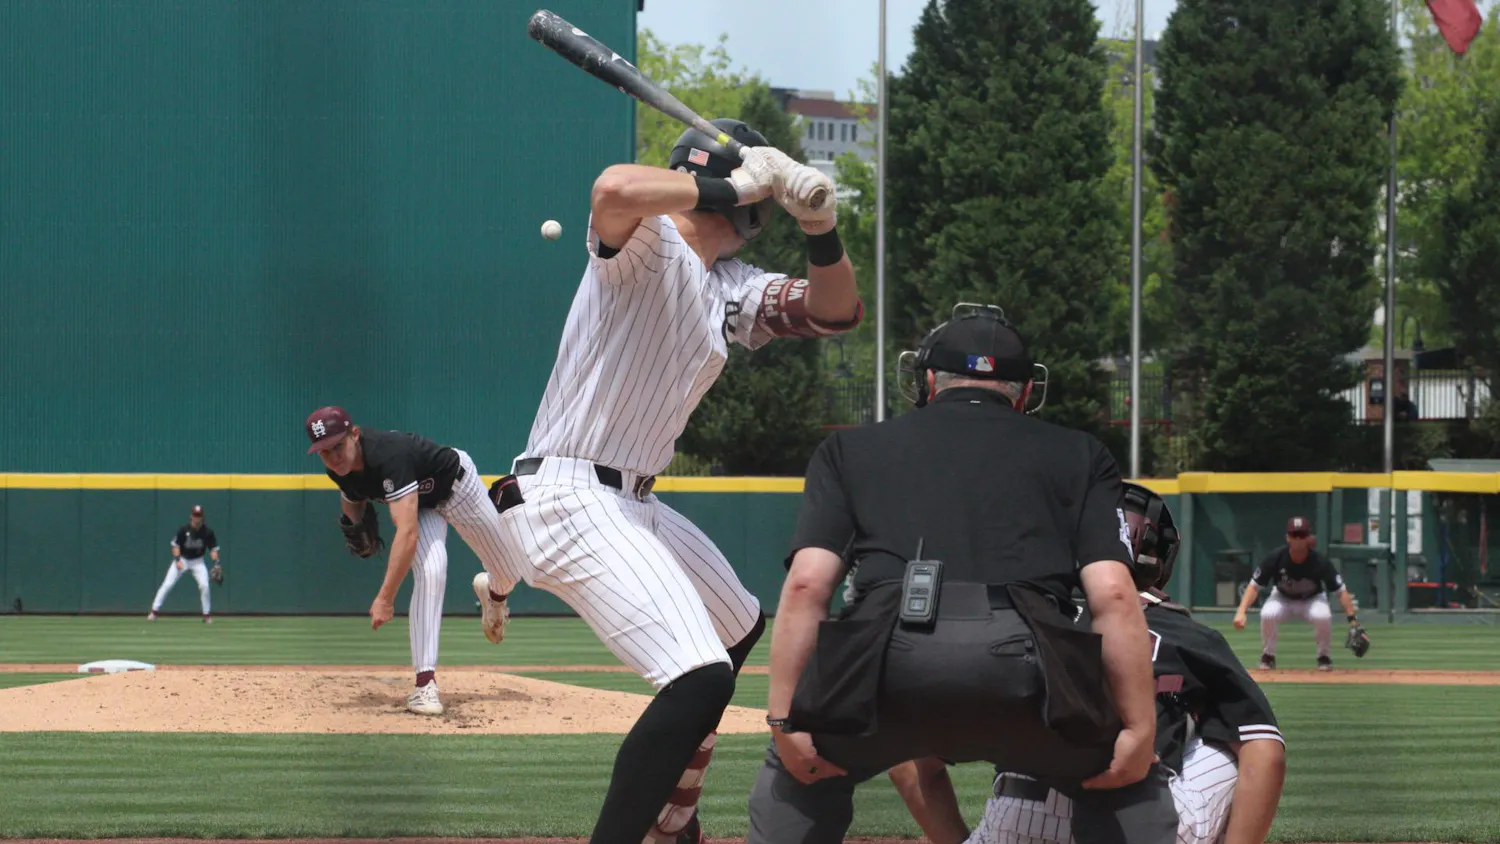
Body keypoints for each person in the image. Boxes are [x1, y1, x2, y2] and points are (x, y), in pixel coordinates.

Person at [485, 118, 857, 844]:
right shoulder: (649, 241)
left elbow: (835, 311)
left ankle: (673, 816)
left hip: (633, 502)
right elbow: (612, 188)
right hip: (568, 494)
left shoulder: (730, 287)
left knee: (741, 625)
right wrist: (743, 181)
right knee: (698, 675)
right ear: (747, 209)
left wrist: (821, 225)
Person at [746, 304, 1174, 844]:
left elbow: (807, 586)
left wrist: (786, 722)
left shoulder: (846, 450)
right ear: (1023, 391)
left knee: (799, 773)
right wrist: (1136, 728)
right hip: (1028, 672)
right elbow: (1114, 593)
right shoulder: (1082, 453)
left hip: (885, 670)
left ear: (927, 379)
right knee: (1127, 783)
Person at [890, 483, 1287, 844]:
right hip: (1138, 825)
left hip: (1017, 822)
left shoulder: (1009, 616)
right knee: (1239, 737)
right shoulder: (1186, 634)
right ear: (1158, 555)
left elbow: (904, 754)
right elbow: (1266, 754)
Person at [305, 405, 522, 715]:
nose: (334, 457)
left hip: (459, 488)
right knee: (432, 571)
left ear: (354, 434)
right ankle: (425, 685)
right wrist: (353, 523)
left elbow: (406, 535)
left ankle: (494, 593)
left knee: (509, 572)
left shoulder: (387, 454)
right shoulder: (338, 469)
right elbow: (352, 498)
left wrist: (385, 598)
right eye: (325, 452)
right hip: (421, 506)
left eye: (338, 446)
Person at [1232, 515, 1361, 671]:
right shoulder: (1276, 557)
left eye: (1302, 535)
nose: (1298, 539)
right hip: (1282, 598)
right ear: (1288, 537)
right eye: (1294, 535)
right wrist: (1241, 611)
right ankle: (1268, 656)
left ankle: (1323, 657)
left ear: (1308, 538)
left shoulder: (1320, 561)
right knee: (1268, 614)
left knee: (1323, 616)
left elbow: (1341, 591)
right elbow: (1254, 586)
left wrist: (1353, 620)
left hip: (1312, 599)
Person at [148, 504, 221, 623]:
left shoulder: (208, 532)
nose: (197, 518)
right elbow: (175, 546)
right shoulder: (183, 530)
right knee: (168, 584)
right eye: (195, 515)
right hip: (182, 559)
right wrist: (177, 560)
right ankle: (154, 612)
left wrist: (217, 563)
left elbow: (213, 549)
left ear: (203, 517)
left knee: (205, 586)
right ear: (191, 516)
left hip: (198, 561)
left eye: (199, 516)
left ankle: (206, 615)